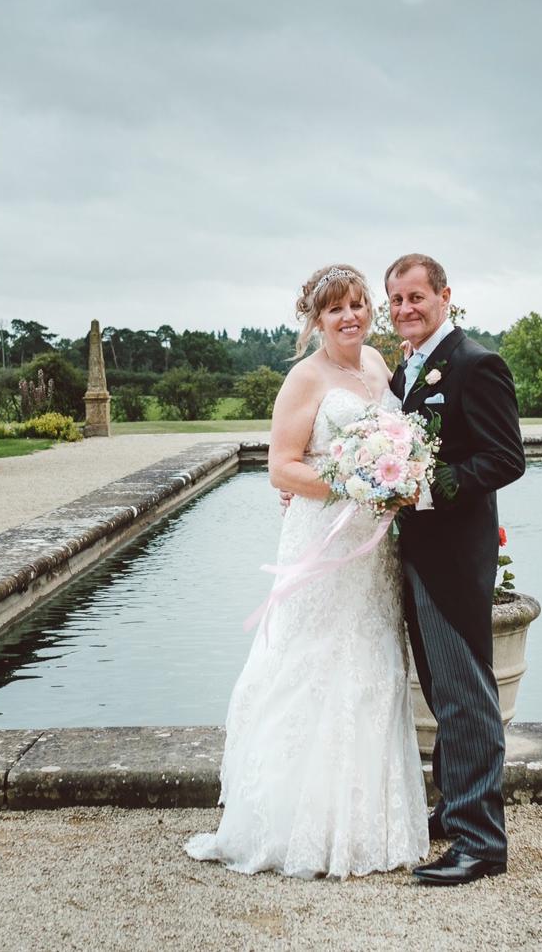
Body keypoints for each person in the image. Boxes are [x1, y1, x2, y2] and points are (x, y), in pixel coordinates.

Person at [184, 264, 428, 879]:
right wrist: (353, 483)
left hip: (374, 552)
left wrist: (388, 479)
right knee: (310, 663)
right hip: (323, 544)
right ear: (316, 319)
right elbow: (281, 468)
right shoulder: (304, 378)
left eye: (358, 305)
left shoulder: (379, 365)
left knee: (372, 665)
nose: (351, 317)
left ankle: (369, 826)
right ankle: (295, 828)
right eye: (336, 309)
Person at [385, 253, 526, 886]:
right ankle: (454, 807)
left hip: (455, 555)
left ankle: (481, 845)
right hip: (416, 551)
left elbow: (506, 458)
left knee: (466, 692)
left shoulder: (477, 363)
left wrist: (442, 483)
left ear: (445, 296)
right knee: (444, 691)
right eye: (397, 300)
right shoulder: (405, 371)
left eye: (417, 297)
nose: (405, 309)